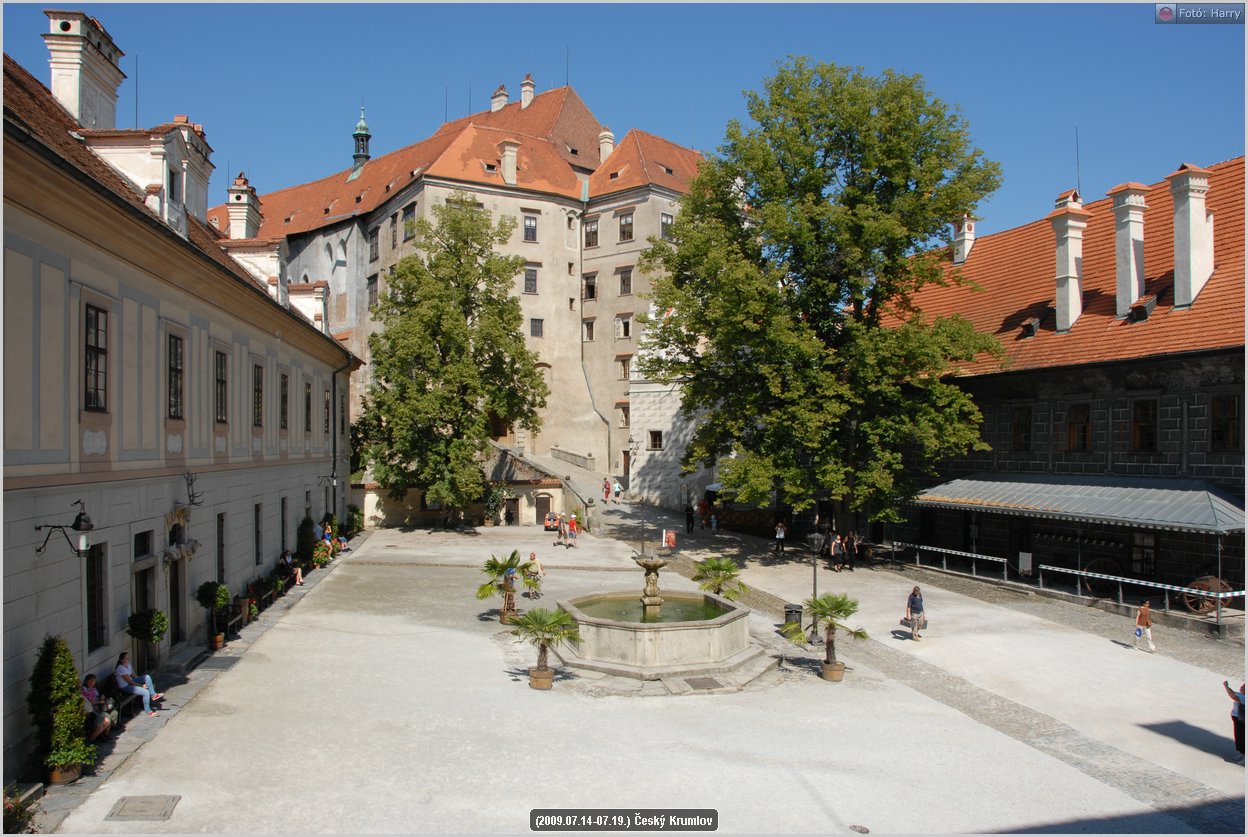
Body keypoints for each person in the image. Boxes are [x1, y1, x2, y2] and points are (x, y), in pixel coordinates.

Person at [114, 651, 163, 716]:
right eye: (126, 658)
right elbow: (130, 682)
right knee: (145, 692)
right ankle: (148, 711)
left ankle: (153, 695)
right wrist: (141, 686)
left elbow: (133, 675)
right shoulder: (120, 668)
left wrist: (141, 680)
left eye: (128, 658)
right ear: (121, 660)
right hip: (125, 687)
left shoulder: (128, 665)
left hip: (131, 682)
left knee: (147, 677)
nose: (127, 660)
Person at [82, 674, 114, 741]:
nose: (91, 683)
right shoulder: (84, 690)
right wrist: (98, 702)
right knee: (105, 720)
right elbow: (88, 703)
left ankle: (104, 734)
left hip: (99, 709)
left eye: (93, 682)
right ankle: (93, 739)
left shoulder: (95, 689)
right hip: (92, 711)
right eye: (90, 681)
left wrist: (102, 697)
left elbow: (99, 696)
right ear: (86, 681)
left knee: (111, 716)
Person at [1223, 681, 1245, 764]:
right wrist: (1228, 687)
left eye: (1243, 686)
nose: (1241, 686)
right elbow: (1234, 693)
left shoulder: (1244, 698)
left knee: (1242, 738)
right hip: (1238, 719)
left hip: (1242, 720)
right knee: (1239, 737)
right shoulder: (1242, 694)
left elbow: (1232, 696)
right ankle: (1241, 753)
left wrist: (1226, 687)